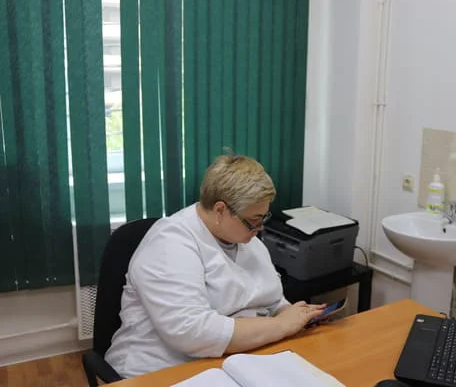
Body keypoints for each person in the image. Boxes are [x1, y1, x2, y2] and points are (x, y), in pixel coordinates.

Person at [105, 154, 325, 378]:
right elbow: (191, 331)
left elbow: (271, 298)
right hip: (160, 369)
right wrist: (281, 325)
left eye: (262, 218)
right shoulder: (169, 243)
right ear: (220, 210)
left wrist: (293, 314)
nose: (260, 228)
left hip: (234, 360)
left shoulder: (244, 238)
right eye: (253, 220)